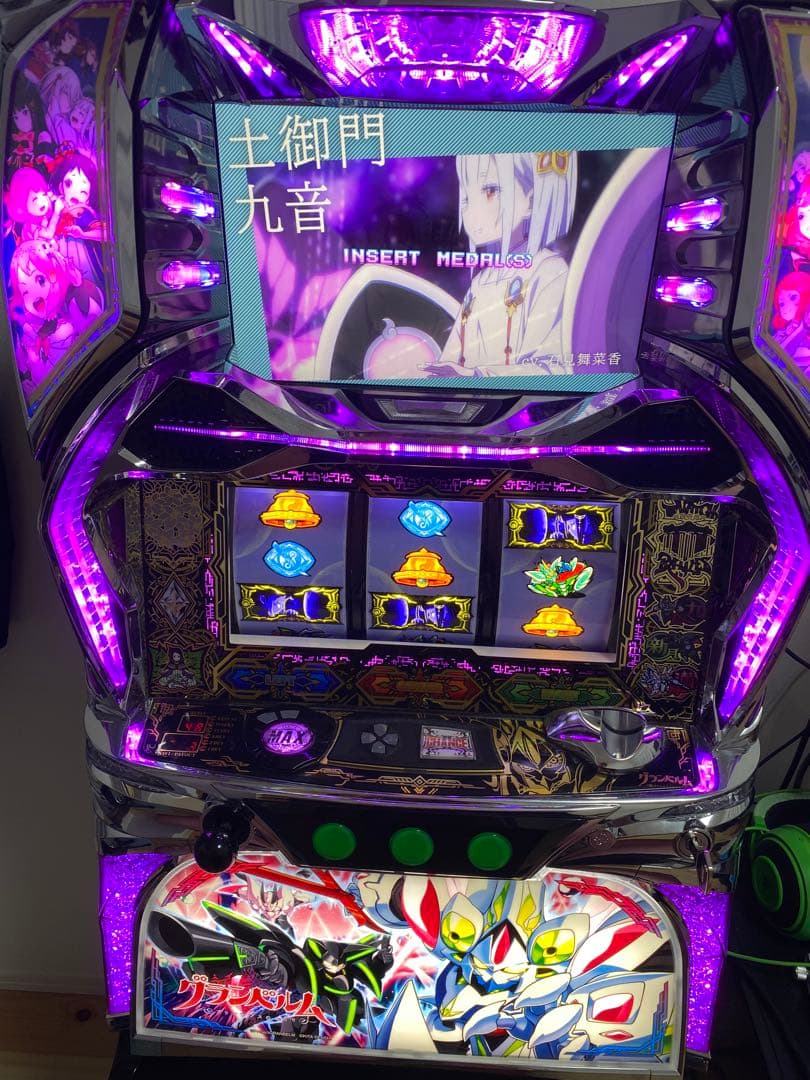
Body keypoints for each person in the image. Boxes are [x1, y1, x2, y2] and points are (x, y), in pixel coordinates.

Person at [429, 151, 577, 377]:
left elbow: (554, 368)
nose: (472, 212)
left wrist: (477, 376)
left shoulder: (549, 271)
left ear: (531, 200)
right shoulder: (480, 282)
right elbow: (450, 359)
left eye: (490, 191)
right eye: (466, 199)